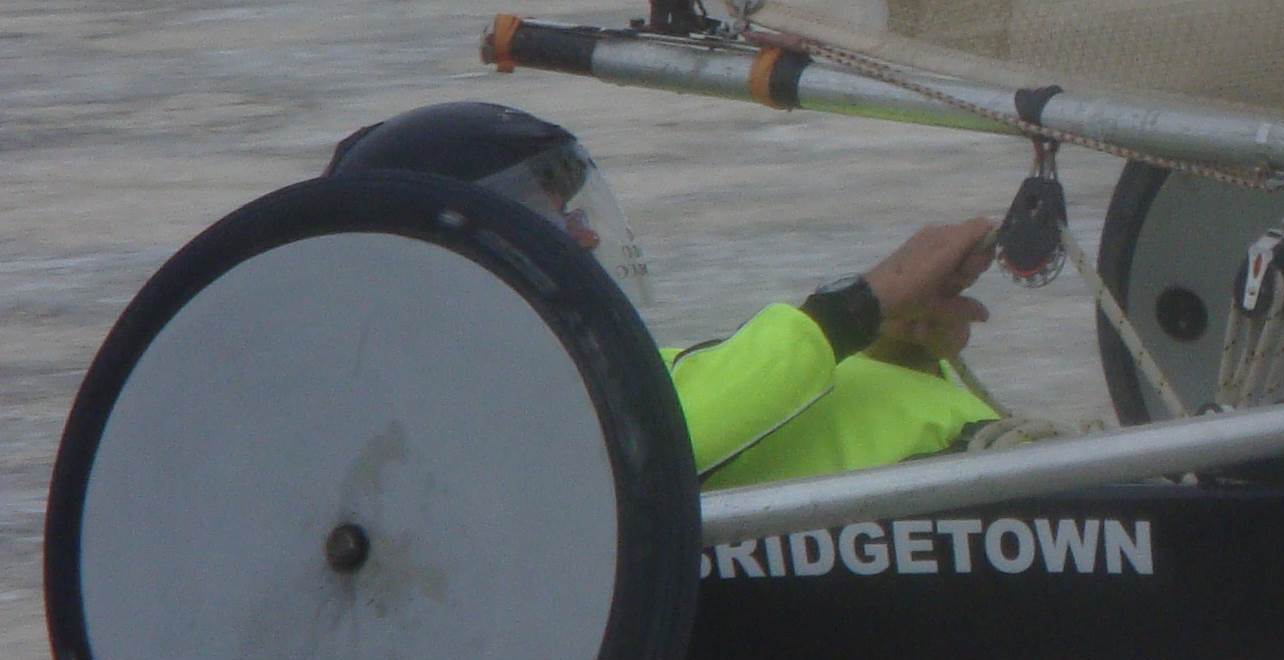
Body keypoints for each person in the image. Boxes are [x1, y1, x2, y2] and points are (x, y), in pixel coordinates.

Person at [326, 101, 1003, 489]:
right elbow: (649, 442)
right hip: (977, 503)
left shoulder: (607, 377)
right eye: (548, 216)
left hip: (990, 479)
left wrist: (892, 352)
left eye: (575, 211)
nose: (586, 236)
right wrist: (855, 308)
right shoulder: (470, 431)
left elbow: (715, 407)